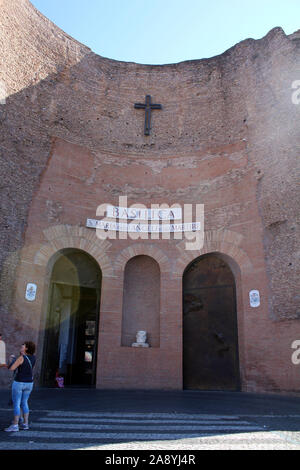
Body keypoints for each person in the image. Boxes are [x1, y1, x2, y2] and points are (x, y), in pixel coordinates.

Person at [4, 341, 36, 432]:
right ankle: (25, 423)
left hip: (19, 382)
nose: (21, 347)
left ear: (26, 348)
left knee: (17, 403)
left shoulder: (21, 358)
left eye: (23, 346)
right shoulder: (33, 357)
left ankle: (15, 424)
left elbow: (11, 368)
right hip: (29, 383)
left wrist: (11, 360)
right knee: (24, 402)